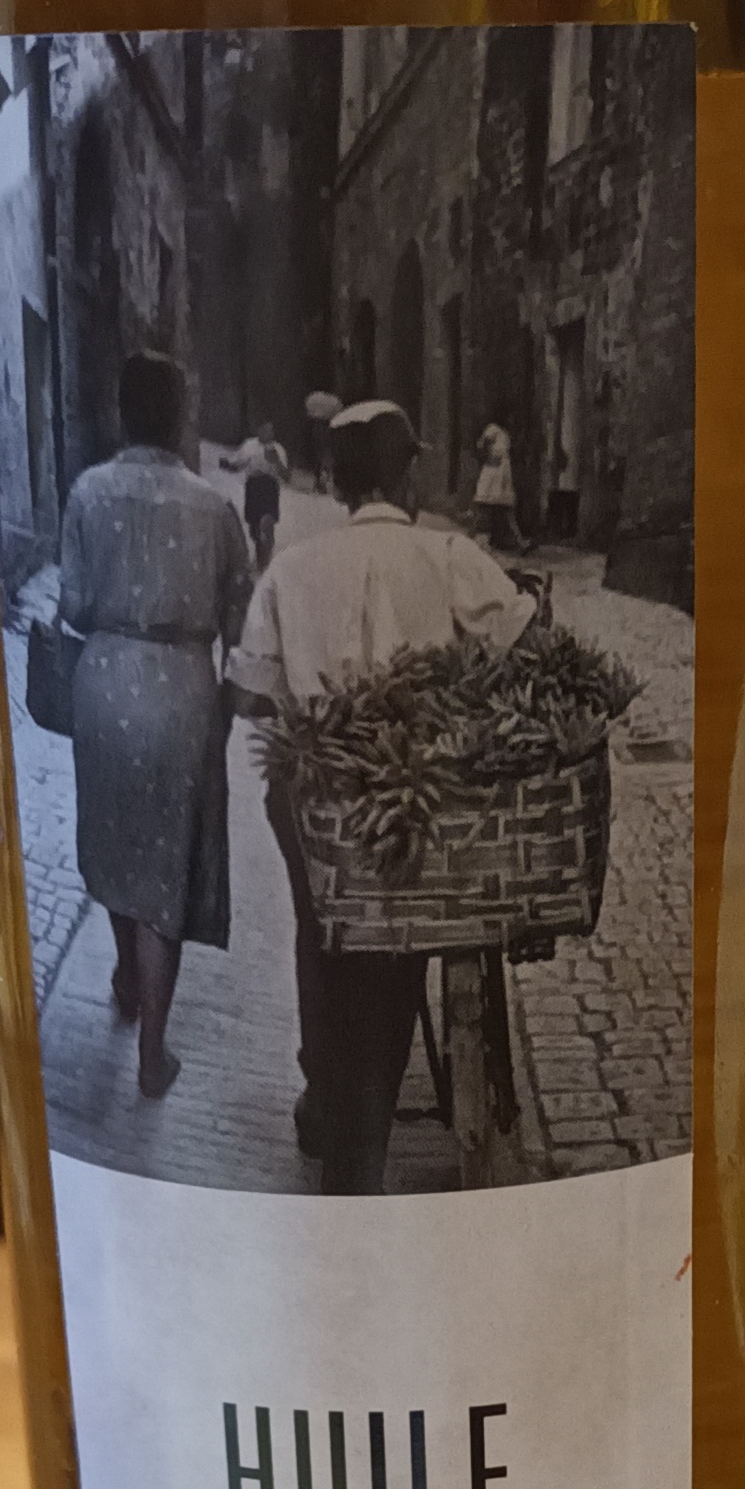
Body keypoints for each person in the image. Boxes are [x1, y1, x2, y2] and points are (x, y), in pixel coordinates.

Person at [230, 398, 534, 1194]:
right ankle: (355, 1136)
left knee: (321, 932)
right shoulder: (450, 556)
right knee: (394, 947)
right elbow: (520, 639)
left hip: (316, 798)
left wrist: (317, 686)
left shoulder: (291, 569)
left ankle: (331, 1102)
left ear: (335, 483)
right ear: (406, 478)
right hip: (414, 798)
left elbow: (250, 694)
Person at [61, 350, 251, 1099]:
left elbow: (74, 605)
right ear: (178, 418)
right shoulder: (215, 509)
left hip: (104, 682)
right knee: (167, 858)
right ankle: (152, 1052)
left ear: (121, 412)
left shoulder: (88, 492)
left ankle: (123, 974)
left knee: (115, 837)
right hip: (181, 691)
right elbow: (238, 621)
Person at [227, 421, 289, 569]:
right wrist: (227, 465)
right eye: (265, 429)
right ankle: (260, 554)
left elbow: (286, 476)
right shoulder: (249, 445)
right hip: (253, 486)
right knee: (254, 527)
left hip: (269, 486)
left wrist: (276, 461)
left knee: (267, 523)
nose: (268, 433)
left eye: (271, 430)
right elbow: (237, 464)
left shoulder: (278, 449)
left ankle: (265, 560)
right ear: (258, 430)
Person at [473, 420, 526, 552]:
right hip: (493, 471)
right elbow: (482, 445)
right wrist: (489, 458)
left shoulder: (505, 434)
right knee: (486, 503)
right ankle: (482, 540)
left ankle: (517, 541)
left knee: (505, 506)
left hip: (502, 471)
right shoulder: (493, 428)